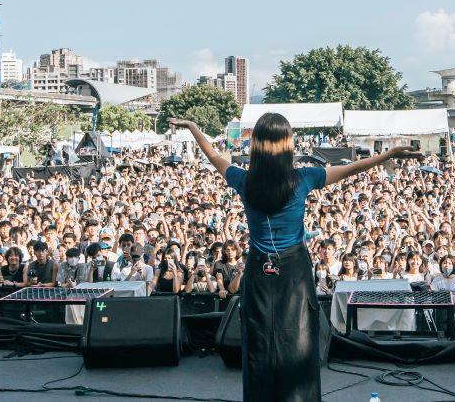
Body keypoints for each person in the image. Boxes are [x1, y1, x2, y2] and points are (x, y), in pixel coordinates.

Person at [171, 114, 421, 402]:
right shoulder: (304, 179)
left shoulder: (243, 180)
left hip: (258, 268)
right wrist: (386, 155)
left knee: (259, 342)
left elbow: (213, 154)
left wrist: (193, 127)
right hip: (294, 270)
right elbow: (352, 168)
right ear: (288, 144)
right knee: (298, 339)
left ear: (256, 145)